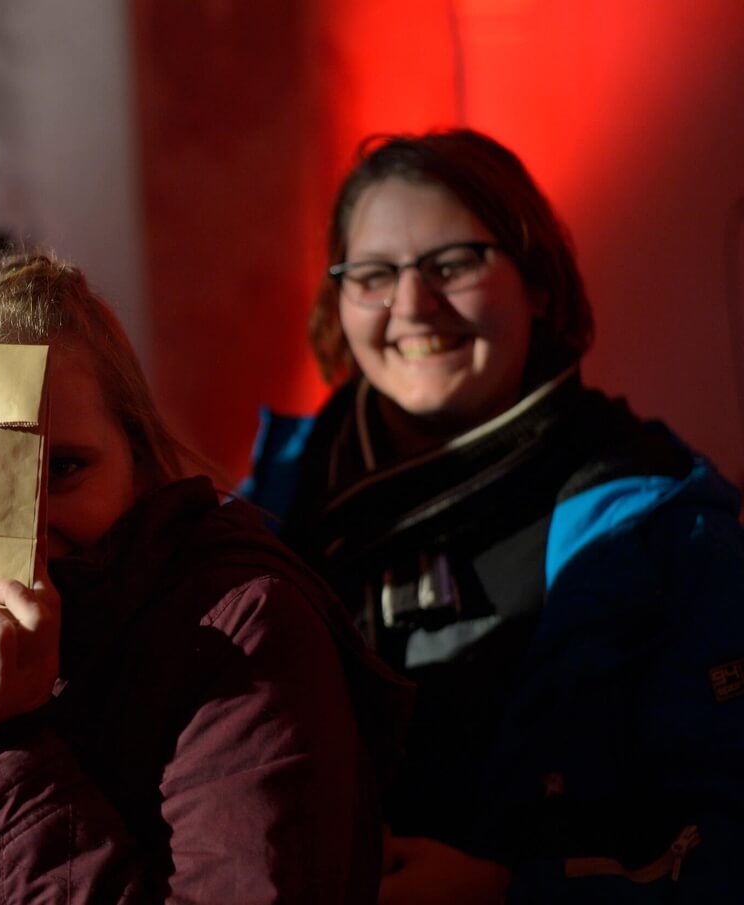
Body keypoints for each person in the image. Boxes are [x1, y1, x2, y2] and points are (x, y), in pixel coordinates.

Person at [242, 128, 744, 903]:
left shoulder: (665, 521)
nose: (413, 306)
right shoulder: (270, 503)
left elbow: (730, 848)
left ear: (538, 283)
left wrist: (505, 893)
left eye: (452, 264)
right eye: (374, 274)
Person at [0, 252, 410, 904]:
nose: (27, 523)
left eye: (64, 468)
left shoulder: (245, 632)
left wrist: (0, 755)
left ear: (139, 457)